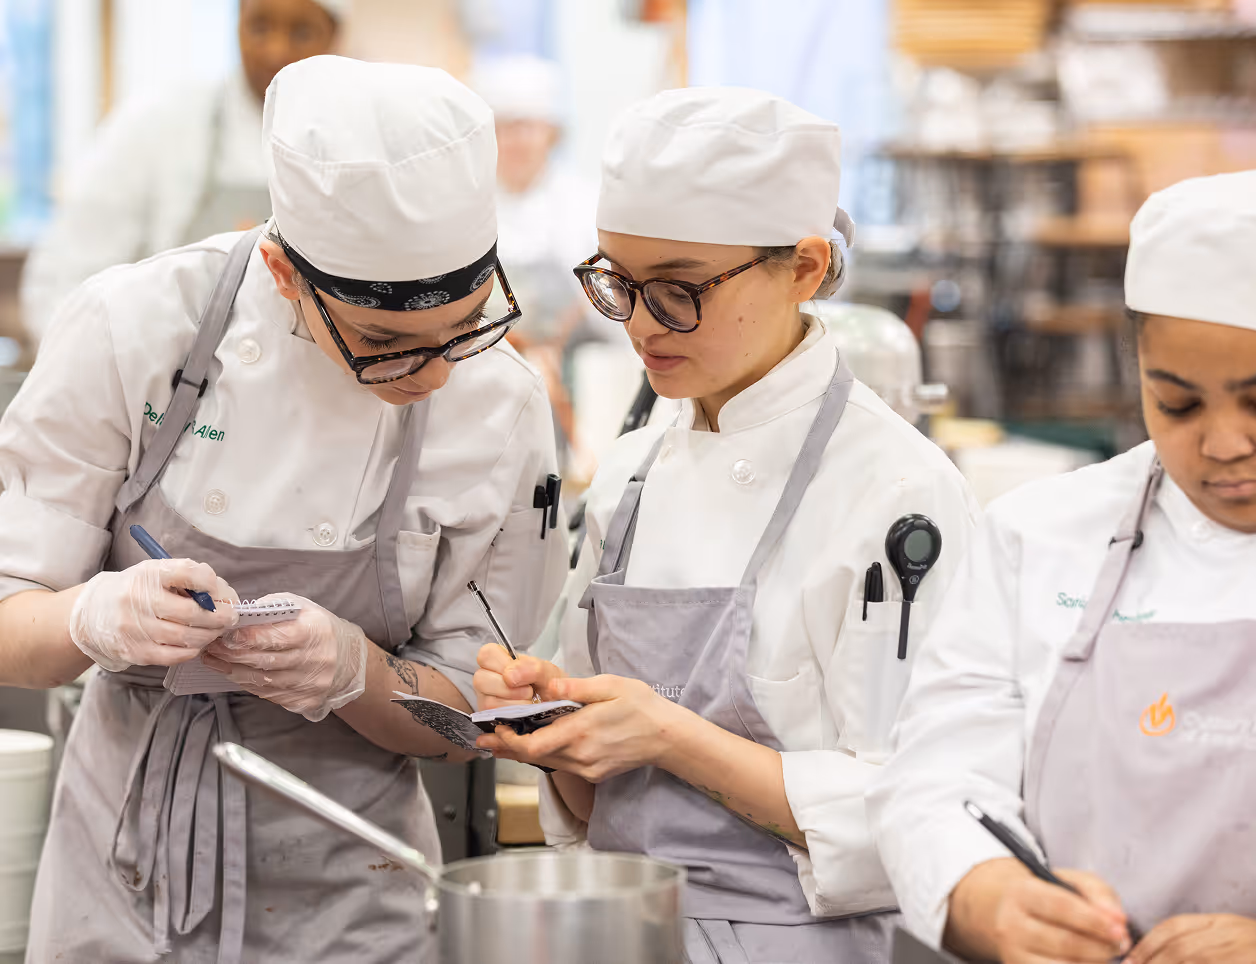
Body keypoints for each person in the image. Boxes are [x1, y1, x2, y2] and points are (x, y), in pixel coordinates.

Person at [0, 55, 567, 963]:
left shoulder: (498, 403)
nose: (432, 374)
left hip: (359, 891)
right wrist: (93, 615)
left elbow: (475, 714)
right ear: (284, 271)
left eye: (462, 327)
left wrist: (356, 674)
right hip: (123, 872)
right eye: (385, 343)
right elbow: (7, 621)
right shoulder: (135, 329)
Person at [472, 86, 979, 963]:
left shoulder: (896, 491)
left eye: (677, 291)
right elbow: (599, 808)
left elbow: (907, 817)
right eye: (616, 283)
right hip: (619, 930)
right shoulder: (635, 469)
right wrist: (555, 730)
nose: (637, 325)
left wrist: (668, 734)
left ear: (805, 269)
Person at [868, 171, 1256, 964]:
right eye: (1177, 403)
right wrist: (983, 894)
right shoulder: (1039, 535)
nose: (1223, 445)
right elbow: (936, 782)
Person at [20, 0, 344, 343]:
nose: (276, 50)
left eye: (302, 32)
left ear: (335, 36)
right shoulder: (161, 123)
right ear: (236, 22)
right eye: (260, 27)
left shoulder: (354, 143)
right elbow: (63, 281)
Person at [472, 54, 605, 471]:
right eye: (506, 128)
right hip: (481, 365)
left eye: (527, 127)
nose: (517, 140)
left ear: (551, 133)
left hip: (569, 369)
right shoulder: (468, 201)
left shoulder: (584, 204)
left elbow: (608, 296)